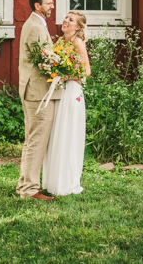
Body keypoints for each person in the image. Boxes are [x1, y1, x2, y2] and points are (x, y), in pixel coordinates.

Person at [16, 0, 59, 201]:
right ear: (37, 6)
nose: (52, 6)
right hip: (37, 92)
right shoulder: (34, 27)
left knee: (32, 138)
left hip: (36, 91)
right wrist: (66, 72)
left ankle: (25, 186)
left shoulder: (37, 24)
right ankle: (30, 190)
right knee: (36, 139)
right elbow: (45, 62)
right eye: (49, 3)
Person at [42, 11, 91, 196]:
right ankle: (53, 181)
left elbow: (86, 71)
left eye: (70, 20)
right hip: (60, 90)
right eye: (66, 18)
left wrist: (65, 76)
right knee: (57, 134)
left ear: (78, 27)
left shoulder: (77, 42)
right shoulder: (60, 42)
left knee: (67, 133)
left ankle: (66, 182)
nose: (66, 21)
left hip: (71, 92)